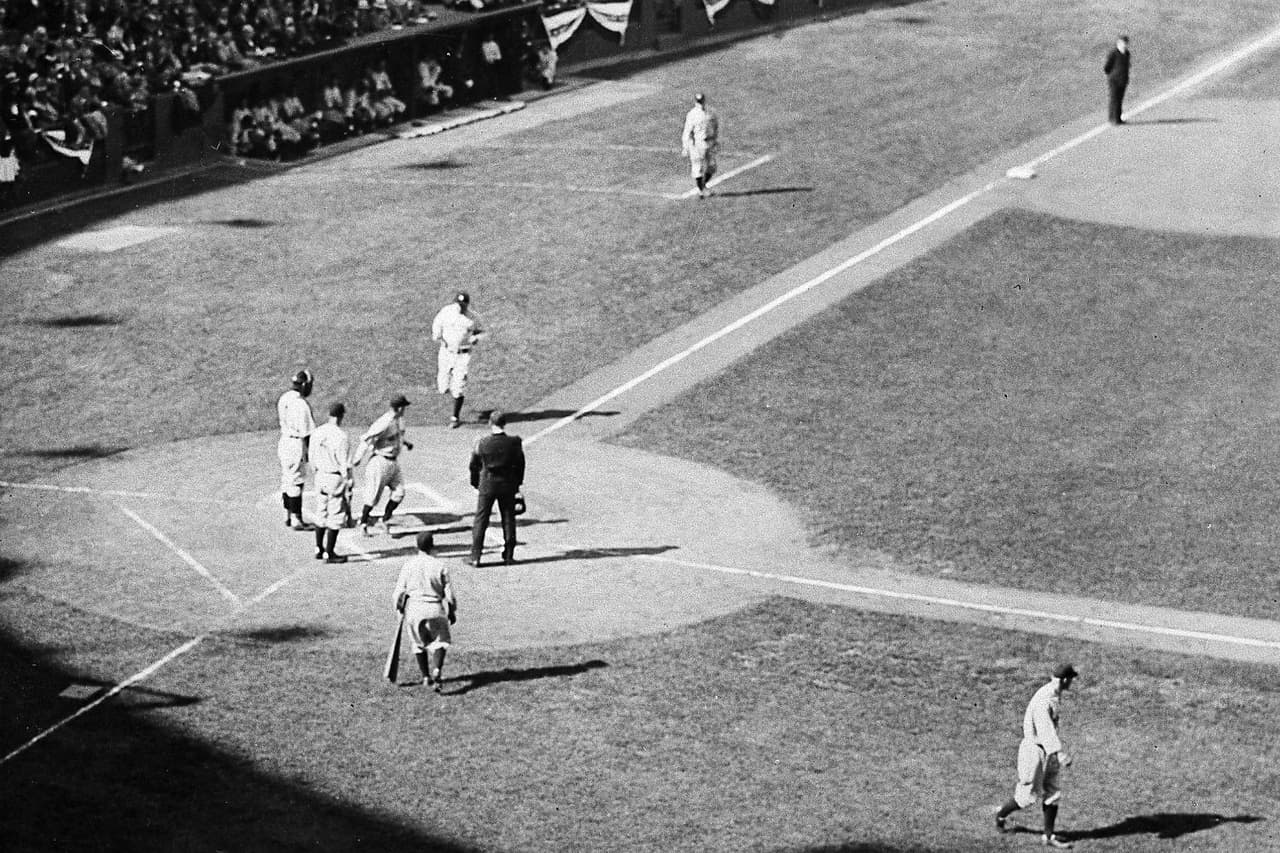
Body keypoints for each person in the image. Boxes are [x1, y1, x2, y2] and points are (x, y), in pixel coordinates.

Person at [995, 663, 1080, 849]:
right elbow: (1044, 730)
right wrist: (1060, 753)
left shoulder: (1054, 694)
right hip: (1034, 752)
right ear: (1065, 679)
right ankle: (1001, 815)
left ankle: (1048, 836)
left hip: (1047, 751)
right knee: (1027, 797)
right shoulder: (1045, 698)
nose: (1072, 682)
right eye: (1071, 679)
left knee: (1053, 792)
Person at [393, 532, 457, 691]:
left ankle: (426, 677)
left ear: (417, 546)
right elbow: (450, 596)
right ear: (432, 545)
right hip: (435, 608)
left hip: (414, 609)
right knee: (441, 641)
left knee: (418, 644)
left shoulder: (408, 565)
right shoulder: (440, 565)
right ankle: (437, 669)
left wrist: (399, 609)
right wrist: (451, 612)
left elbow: (398, 593)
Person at [466, 410, 524, 566]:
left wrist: (475, 483)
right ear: (504, 424)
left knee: (481, 519)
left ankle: (476, 556)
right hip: (507, 484)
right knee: (508, 519)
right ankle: (509, 555)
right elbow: (520, 465)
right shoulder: (514, 442)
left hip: (487, 484)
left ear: (490, 423)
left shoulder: (482, 443)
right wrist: (517, 485)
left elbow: (474, 465)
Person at [356, 393, 414, 536]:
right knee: (372, 497)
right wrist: (358, 458)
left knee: (399, 493)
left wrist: (406, 443)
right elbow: (367, 439)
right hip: (380, 463)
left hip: (393, 463)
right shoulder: (384, 422)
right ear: (399, 408)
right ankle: (363, 523)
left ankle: (385, 519)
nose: (405, 409)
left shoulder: (399, 420)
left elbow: (397, 436)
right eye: (404, 407)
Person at [431, 290, 485, 428]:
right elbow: (437, 325)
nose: (461, 306)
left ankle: (455, 417)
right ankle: (448, 387)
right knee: (443, 387)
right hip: (446, 352)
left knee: (459, 387)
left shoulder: (472, 317)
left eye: (463, 304)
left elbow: (481, 331)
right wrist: (437, 336)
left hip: (463, 355)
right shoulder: (446, 312)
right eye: (459, 304)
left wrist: (476, 338)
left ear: (467, 304)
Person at [309, 401, 354, 563]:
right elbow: (345, 465)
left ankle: (318, 548)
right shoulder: (342, 437)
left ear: (330, 414)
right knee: (335, 515)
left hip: (320, 475)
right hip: (334, 478)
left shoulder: (317, 432)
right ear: (341, 416)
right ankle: (329, 553)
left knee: (321, 511)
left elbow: (311, 457)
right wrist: (349, 483)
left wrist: (317, 472)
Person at [277, 368, 316, 530]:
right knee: (296, 481)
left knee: (287, 478)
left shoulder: (284, 397)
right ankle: (296, 519)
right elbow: (307, 433)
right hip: (295, 445)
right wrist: (311, 455)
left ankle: (287, 515)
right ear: (304, 385)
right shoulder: (301, 404)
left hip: (284, 441)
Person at [681, 92, 719, 199]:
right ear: (695, 102)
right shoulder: (692, 114)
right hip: (697, 143)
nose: (700, 103)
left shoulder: (710, 113)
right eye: (699, 102)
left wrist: (715, 140)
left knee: (712, 167)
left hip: (709, 142)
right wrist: (685, 147)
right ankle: (701, 190)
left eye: (701, 101)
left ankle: (702, 187)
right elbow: (687, 132)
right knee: (698, 168)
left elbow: (715, 127)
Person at [1103, 35, 1131, 126]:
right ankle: (1112, 119)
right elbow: (1107, 67)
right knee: (1114, 99)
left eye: (1126, 43)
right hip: (1114, 80)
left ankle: (1118, 118)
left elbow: (1127, 66)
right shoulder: (1113, 54)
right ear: (1118, 43)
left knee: (1119, 99)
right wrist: (1112, 75)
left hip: (1123, 80)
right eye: (1123, 43)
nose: (1125, 45)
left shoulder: (1127, 53)